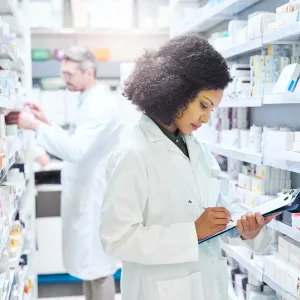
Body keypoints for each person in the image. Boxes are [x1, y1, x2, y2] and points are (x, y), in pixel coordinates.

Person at [99, 34, 275, 300]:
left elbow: (224, 204)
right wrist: (191, 233)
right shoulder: (133, 153)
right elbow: (116, 238)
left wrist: (246, 226)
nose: (205, 118)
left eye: (211, 110)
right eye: (203, 105)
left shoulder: (197, 149)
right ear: (175, 91)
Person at [6, 46, 120, 300]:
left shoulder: (100, 104)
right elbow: (76, 139)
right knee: (90, 269)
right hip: (85, 192)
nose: (64, 79)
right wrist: (46, 122)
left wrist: (35, 126)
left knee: (98, 269)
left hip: (95, 197)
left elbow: (76, 150)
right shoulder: (88, 101)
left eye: (69, 74)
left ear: (88, 72)